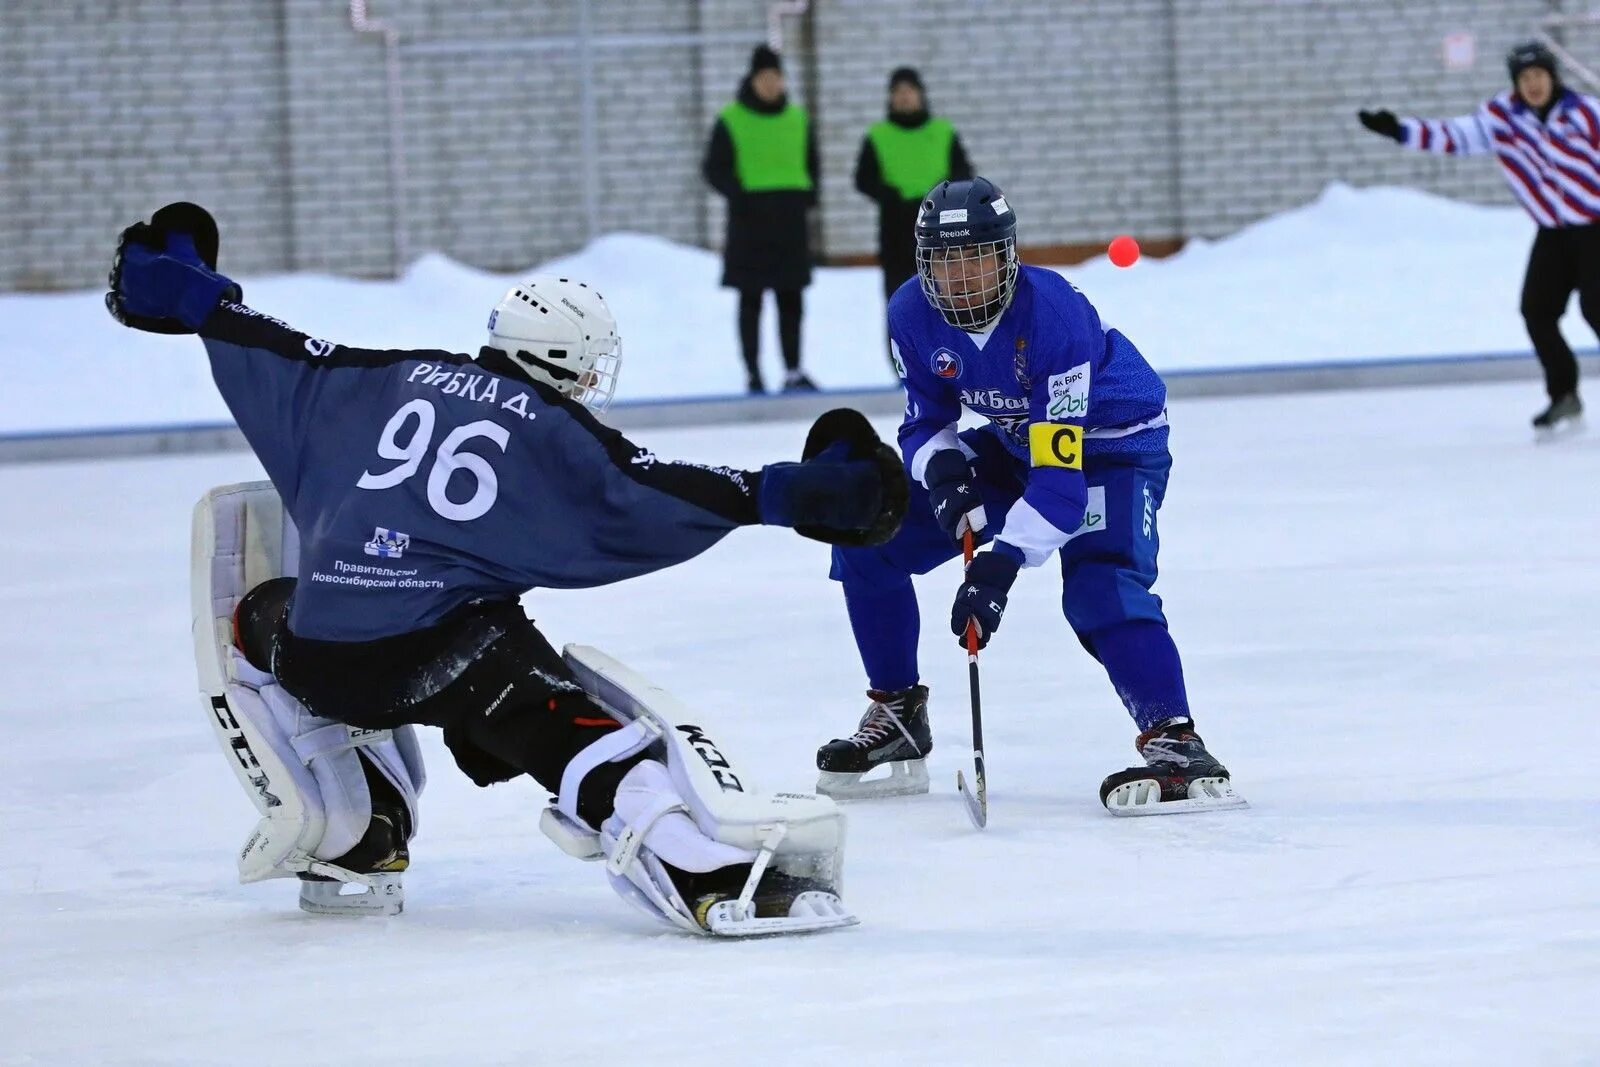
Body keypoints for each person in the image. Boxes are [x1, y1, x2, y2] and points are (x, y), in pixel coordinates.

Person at [105, 202, 908, 935]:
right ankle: (685, 854)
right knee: (558, 713)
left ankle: (356, 825)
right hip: (442, 656)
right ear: (563, 363)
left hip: (318, 655)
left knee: (256, 605)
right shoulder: (553, 435)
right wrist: (825, 490)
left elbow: (246, 331)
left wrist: (180, 273)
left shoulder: (372, 376)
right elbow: (664, 489)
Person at [811, 177, 1245, 817]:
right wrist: (943, 472)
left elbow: (1062, 481)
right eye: (944, 259)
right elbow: (924, 422)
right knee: (869, 534)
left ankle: (1177, 742)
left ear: (1007, 256)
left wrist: (1001, 562)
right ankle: (898, 713)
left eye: (976, 257)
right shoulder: (909, 314)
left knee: (1100, 586)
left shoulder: (1056, 317)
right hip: (1019, 443)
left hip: (1111, 449)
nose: (961, 277)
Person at [1359, 40, 1597, 435]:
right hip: (1553, 232)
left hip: (1596, 227)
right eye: (1525, 78)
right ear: (1515, 84)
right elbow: (1454, 136)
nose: (1534, 84)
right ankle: (1564, 396)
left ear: (1553, 78)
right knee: (1537, 311)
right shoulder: (1501, 118)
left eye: (1540, 76)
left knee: (1597, 308)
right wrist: (1399, 130)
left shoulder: (1587, 113)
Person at [702, 44, 820, 395]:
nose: (770, 84)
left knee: (791, 299)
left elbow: (812, 162)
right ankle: (753, 372)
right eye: (764, 78)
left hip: (789, 220)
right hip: (749, 220)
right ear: (752, 80)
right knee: (750, 299)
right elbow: (714, 167)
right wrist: (739, 192)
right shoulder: (732, 119)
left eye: (775, 77)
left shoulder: (798, 118)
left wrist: (807, 197)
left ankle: (794, 370)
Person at [854, 67, 973, 365]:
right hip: (896, 231)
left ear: (920, 95)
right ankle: (903, 365)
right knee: (899, 301)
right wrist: (888, 194)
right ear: (891, 99)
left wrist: (942, 194)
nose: (905, 98)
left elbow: (963, 173)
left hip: (941, 233)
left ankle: (952, 363)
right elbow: (863, 178)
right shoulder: (878, 136)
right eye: (899, 93)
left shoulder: (942, 132)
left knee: (947, 298)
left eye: (910, 91)